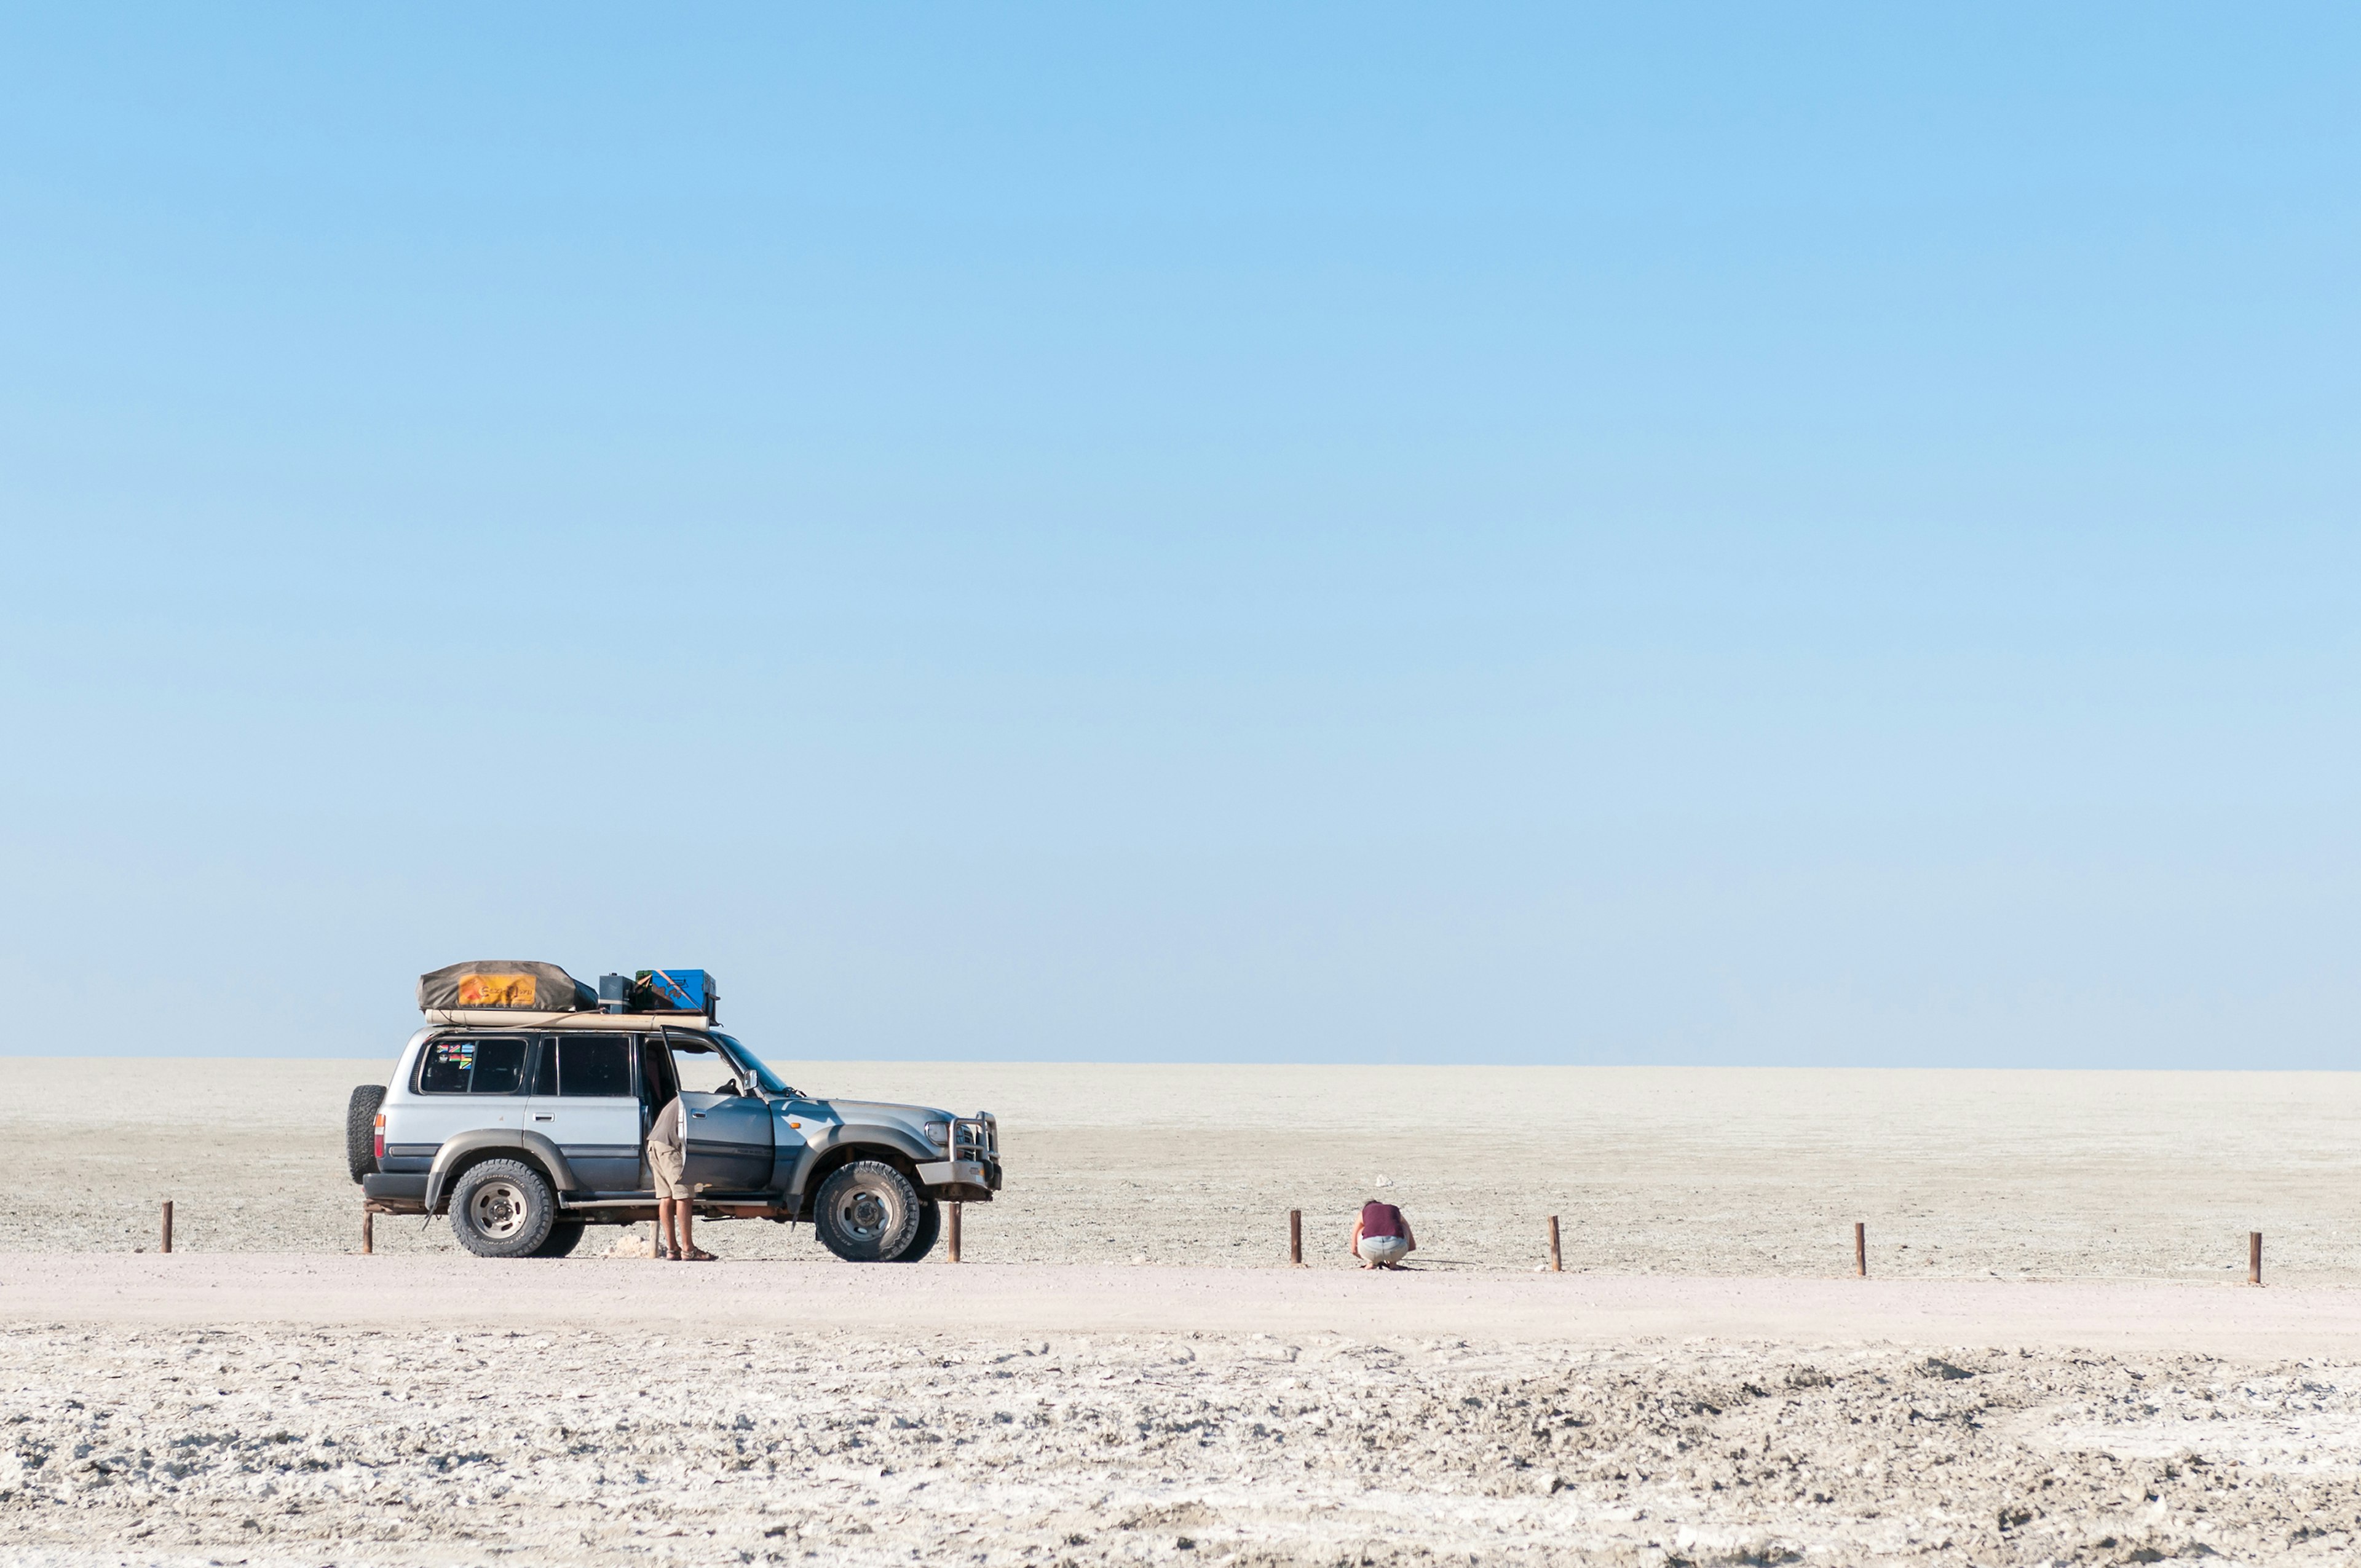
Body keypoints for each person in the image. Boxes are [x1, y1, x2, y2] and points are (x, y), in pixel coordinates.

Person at [647, 1093, 714, 1261]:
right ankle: (688, 1249)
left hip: (654, 1143)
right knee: (684, 1196)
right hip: (670, 1146)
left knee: (666, 1198)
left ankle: (672, 1249)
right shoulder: (706, 1105)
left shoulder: (689, 1098)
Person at [1350, 1197, 1415, 1269]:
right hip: (1396, 1248)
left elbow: (1354, 1250)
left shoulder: (1363, 1213)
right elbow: (1412, 1247)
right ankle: (1393, 1263)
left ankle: (1371, 1263)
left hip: (1369, 1249)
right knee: (1402, 1226)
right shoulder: (1393, 1210)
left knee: (1362, 1229)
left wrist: (1373, 1258)